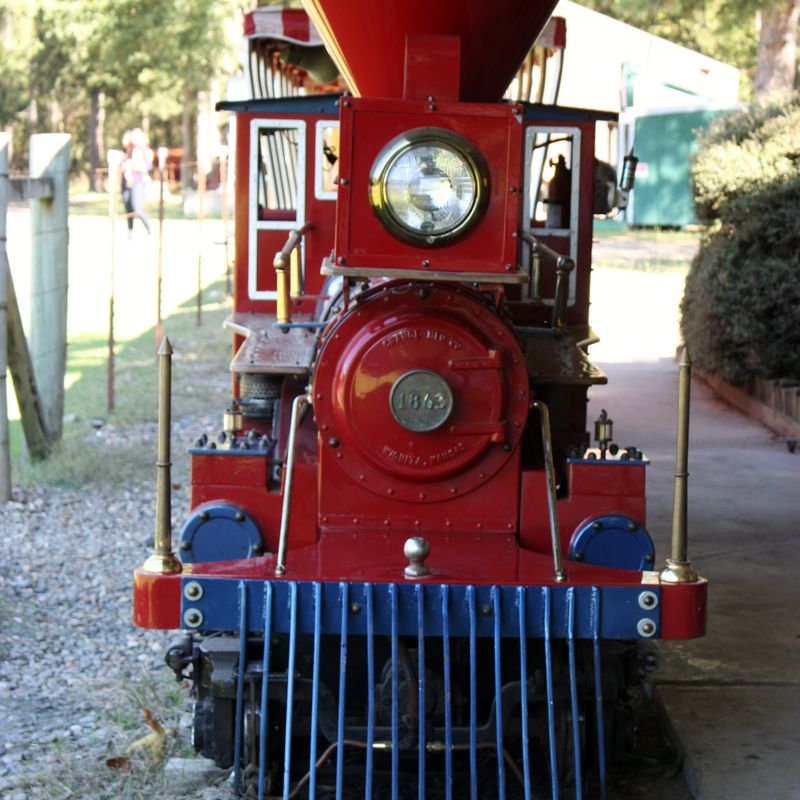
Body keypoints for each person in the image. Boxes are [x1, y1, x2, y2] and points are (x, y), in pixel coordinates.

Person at [120, 128, 153, 238]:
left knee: (137, 208)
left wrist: (133, 166)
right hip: (126, 183)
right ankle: (130, 233)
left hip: (137, 182)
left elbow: (147, 166)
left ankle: (149, 230)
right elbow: (121, 166)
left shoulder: (141, 150)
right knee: (128, 208)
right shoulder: (126, 152)